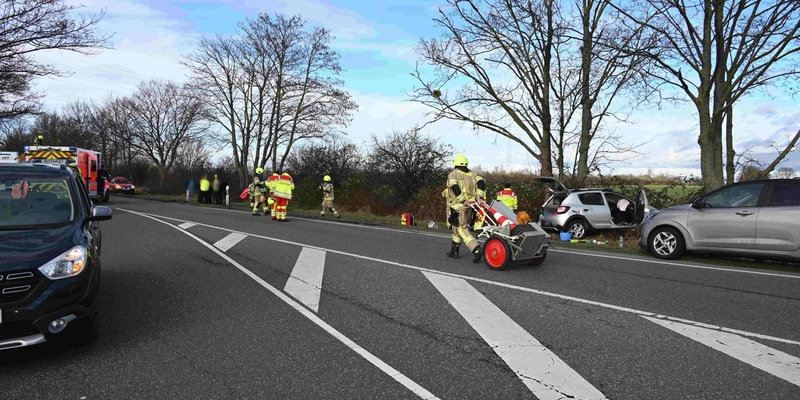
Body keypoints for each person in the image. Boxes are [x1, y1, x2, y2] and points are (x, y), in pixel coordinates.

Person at [445, 154, 483, 263]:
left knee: (462, 228)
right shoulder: (474, 174)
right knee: (456, 228)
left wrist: (462, 200)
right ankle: (454, 251)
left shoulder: (453, 174)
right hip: (471, 206)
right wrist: (479, 196)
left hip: (458, 207)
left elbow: (454, 187)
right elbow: (481, 183)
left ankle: (476, 249)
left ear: (456, 164)